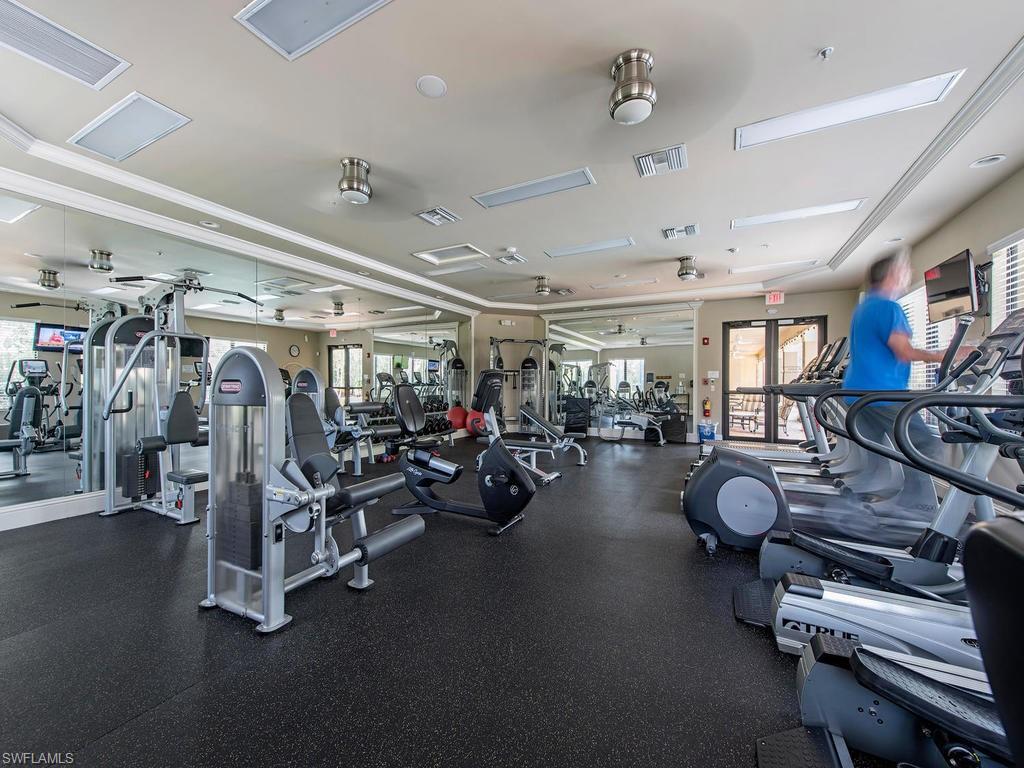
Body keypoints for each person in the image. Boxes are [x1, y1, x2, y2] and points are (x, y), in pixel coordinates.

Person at [844, 251, 947, 461]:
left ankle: (867, 484)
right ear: (893, 273)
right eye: (905, 268)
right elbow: (904, 351)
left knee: (873, 457)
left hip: (856, 393)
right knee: (924, 448)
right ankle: (917, 486)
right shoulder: (888, 307)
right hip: (882, 394)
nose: (910, 272)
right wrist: (942, 356)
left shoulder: (864, 307)